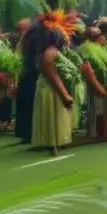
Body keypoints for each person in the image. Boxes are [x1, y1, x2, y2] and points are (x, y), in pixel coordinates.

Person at [30, 22, 74, 156]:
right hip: (50, 87)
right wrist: (64, 94)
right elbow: (52, 75)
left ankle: (53, 145)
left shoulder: (48, 51)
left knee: (53, 114)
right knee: (51, 114)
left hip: (49, 85)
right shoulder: (50, 52)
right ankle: (52, 144)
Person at [80, 25, 107, 142]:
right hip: (96, 84)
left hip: (104, 84)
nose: (103, 38)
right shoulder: (86, 49)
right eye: (99, 36)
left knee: (106, 108)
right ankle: (101, 133)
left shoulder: (101, 48)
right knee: (98, 108)